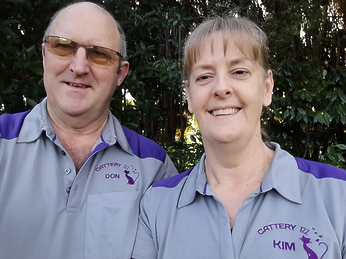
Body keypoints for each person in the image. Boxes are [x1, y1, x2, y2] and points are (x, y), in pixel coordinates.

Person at [132, 16, 346, 259]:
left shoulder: (338, 195)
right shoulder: (157, 204)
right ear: (189, 96)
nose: (221, 88)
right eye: (204, 76)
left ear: (266, 88)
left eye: (239, 72)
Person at [0, 2, 178, 259]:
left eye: (99, 54)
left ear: (120, 74)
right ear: (44, 55)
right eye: (62, 46)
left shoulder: (154, 167)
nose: (79, 67)